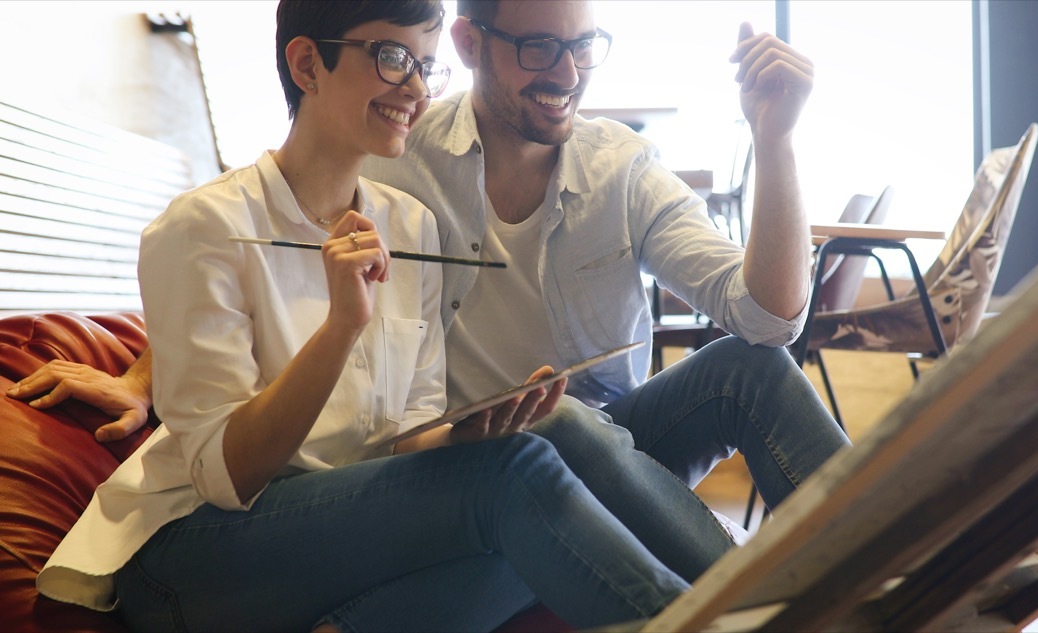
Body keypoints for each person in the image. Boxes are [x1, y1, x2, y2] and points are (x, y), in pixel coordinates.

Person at [10, 0, 848, 529]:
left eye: (584, 45)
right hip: (479, 450)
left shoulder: (624, 168)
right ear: (471, 41)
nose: (567, 74)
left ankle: (887, 561)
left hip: (622, 443)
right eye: (538, 49)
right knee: (547, 435)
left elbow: (773, 317)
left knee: (753, 366)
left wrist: (774, 139)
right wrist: (145, 374)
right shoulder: (391, 147)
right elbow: (251, 242)